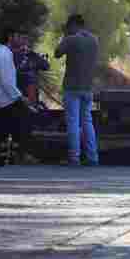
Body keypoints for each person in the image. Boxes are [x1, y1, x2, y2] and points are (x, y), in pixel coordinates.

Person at [0, 27, 33, 169]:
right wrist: (21, 98)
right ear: (10, 37)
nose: (20, 39)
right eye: (18, 36)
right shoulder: (4, 54)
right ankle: (19, 155)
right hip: (3, 100)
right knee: (25, 118)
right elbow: (7, 82)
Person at [55, 14, 100, 167]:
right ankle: (92, 157)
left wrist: (64, 37)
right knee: (87, 122)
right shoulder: (94, 40)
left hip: (72, 87)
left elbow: (57, 53)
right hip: (88, 87)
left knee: (73, 122)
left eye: (68, 27)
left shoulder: (71, 39)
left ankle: (74, 158)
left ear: (73, 25)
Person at [15, 34, 50, 107]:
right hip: (18, 92)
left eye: (26, 42)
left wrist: (35, 55)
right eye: (22, 42)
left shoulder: (33, 56)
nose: (24, 45)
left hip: (32, 92)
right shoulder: (14, 55)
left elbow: (46, 66)